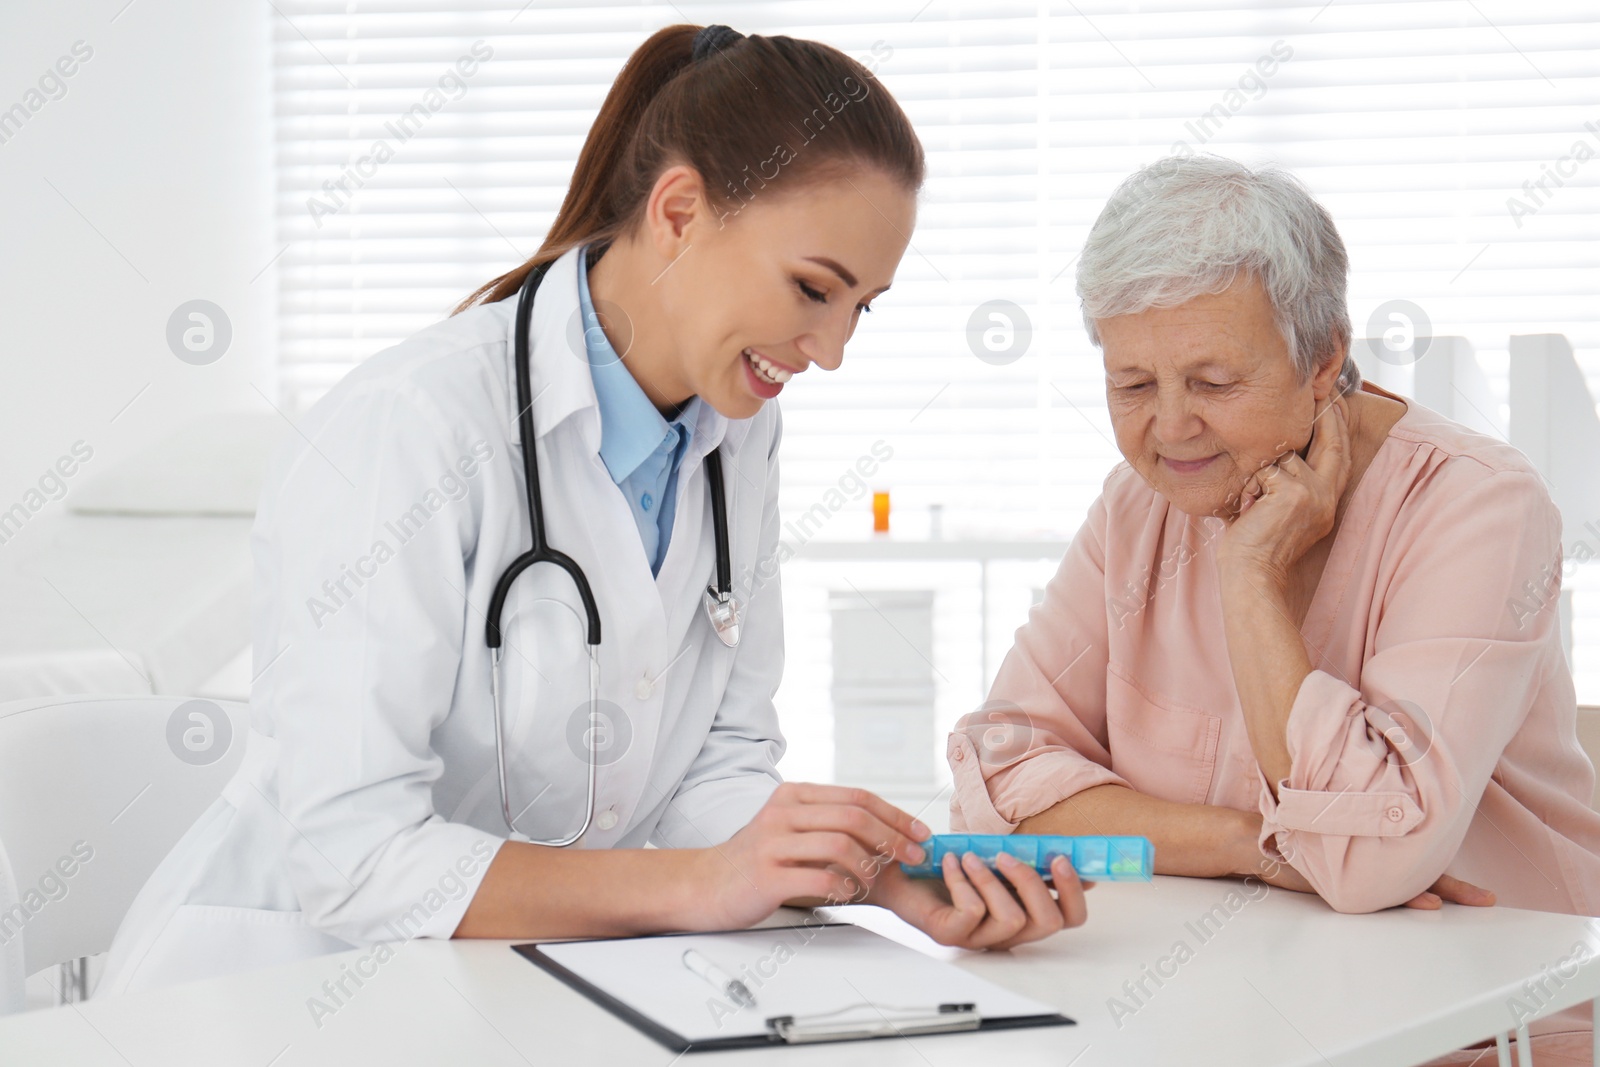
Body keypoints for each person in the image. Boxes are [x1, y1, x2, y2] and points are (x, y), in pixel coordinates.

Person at [99, 24, 1088, 998]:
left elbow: (719, 762)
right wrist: (703, 882)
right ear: (679, 211)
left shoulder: (736, 429)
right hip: (277, 992)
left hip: (523, 987)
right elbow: (351, 854)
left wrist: (876, 878)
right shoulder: (405, 426)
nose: (828, 349)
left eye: (859, 306)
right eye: (811, 288)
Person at [948, 155, 1600, 1065]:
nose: (1170, 428)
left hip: (1486, 1029)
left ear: (1324, 354)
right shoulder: (1138, 508)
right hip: (1227, 1006)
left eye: (1213, 383)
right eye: (1133, 385)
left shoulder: (1479, 505)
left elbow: (1367, 863)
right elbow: (995, 778)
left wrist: (1249, 577)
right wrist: (1251, 842)